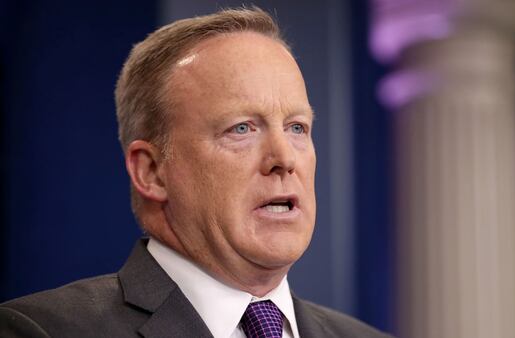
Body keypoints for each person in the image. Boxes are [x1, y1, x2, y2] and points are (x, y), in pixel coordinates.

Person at [0, 7, 394, 338]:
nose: (284, 158)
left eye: (297, 128)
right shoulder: (42, 330)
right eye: (242, 128)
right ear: (151, 172)